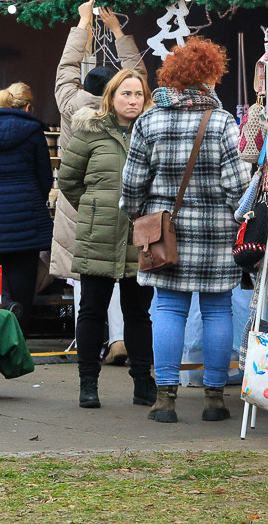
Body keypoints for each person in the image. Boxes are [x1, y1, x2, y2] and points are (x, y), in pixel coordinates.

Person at [119, 37, 249, 424]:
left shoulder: (149, 121)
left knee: (168, 309)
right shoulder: (223, 122)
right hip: (215, 235)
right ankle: (214, 400)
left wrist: (141, 218)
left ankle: (165, 401)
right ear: (210, 75)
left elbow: (130, 189)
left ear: (171, 76)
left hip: (164, 235)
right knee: (217, 310)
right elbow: (238, 190)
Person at [51, 0, 146, 366]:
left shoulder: (69, 104)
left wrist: (83, 23)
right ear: (116, 92)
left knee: (85, 282)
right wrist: (120, 34)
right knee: (124, 277)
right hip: (119, 206)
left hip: (80, 207)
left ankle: (87, 347)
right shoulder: (123, 114)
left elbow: (65, 67)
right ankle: (121, 341)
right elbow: (138, 74)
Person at [57, 69, 157, 409]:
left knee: (138, 313)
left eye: (138, 95)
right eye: (125, 94)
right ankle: (88, 384)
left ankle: (143, 382)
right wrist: (94, 207)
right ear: (110, 98)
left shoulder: (153, 133)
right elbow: (68, 181)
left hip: (140, 237)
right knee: (91, 311)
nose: (132, 100)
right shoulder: (89, 133)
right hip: (97, 234)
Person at [0, 82, 53, 325]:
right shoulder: (33, 130)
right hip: (27, 214)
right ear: (28, 106)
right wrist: (35, 200)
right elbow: (44, 177)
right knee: (25, 279)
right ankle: (20, 338)